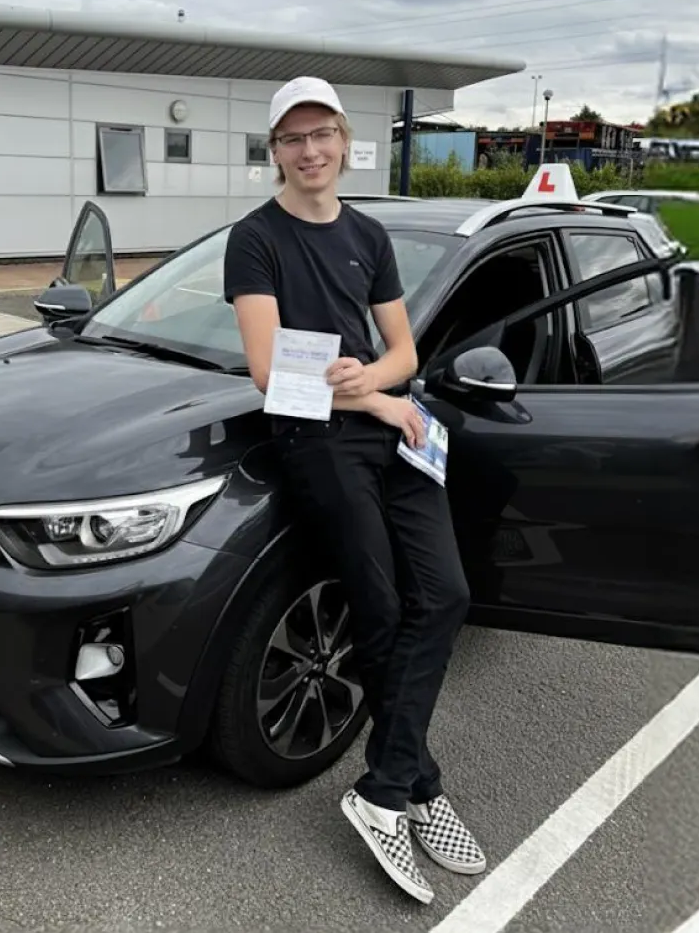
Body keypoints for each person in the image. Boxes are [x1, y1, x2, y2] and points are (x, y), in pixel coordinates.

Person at [221, 76, 485, 905]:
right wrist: (376, 398)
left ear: (342, 140)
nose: (310, 151)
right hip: (318, 439)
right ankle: (415, 786)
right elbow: (270, 372)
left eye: (322, 135)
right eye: (293, 139)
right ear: (276, 152)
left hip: (387, 428)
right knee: (380, 608)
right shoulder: (255, 240)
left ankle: (390, 786)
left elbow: (404, 350)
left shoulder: (368, 234)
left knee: (445, 595)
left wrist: (377, 384)